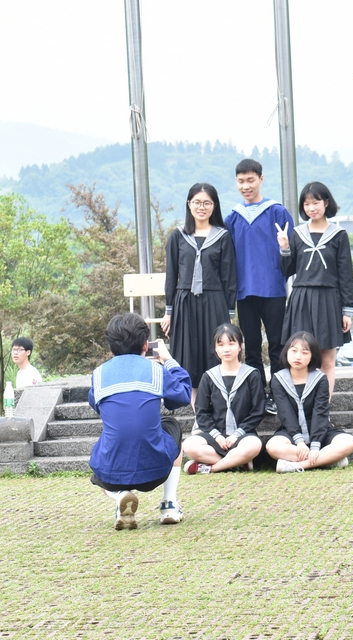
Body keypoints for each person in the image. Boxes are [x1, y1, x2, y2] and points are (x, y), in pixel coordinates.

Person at [88, 313, 191, 530]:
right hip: (156, 469)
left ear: (111, 347)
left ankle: (120, 496)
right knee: (172, 426)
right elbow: (183, 395)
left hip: (111, 473)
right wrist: (168, 360)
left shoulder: (98, 375)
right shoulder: (156, 371)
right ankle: (169, 504)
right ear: (146, 345)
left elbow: (97, 405)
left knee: (103, 451)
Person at [225, 159, 294, 415]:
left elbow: (291, 254)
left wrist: (285, 248)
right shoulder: (232, 218)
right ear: (236, 182)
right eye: (241, 181)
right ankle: (256, 396)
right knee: (251, 346)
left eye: (250, 180)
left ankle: (278, 394)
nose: (246, 186)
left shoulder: (277, 212)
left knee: (277, 344)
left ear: (261, 179)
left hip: (273, 288)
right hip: (244, 292)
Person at [161, 183, 237, 409]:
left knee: (214, 352)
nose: (201, 207)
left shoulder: (222, 237)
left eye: (206, 203)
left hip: (214, 302)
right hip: (184, 303)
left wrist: (229, 313)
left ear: (214, 206)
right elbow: (171, 276)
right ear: (189, 204)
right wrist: (168, 311)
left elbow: (229, 277)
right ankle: (198, 412)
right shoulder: (178, 236)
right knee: (190, 355)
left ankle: (216, 404)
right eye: (197, 202)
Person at [275, 181, 353, 397]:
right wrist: (284, 247)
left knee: (327, 360)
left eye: (316, 202)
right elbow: (288, 270)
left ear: (326, 203)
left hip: (329, 300)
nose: (311, 208)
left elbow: (346, 275)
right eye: (307, 204)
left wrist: (347, 311)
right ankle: (303, 405)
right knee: (301, 358)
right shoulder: (297, 234)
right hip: (302, 300)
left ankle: (322, 409)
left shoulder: (338, 235)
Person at [266, 331, 353, 472]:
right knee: (272, 446)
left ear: (312, 356)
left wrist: (315, 445)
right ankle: (328, 460)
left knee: (349, 442)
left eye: (304, 352)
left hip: (320, 429)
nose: (298, 356)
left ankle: (297, 466)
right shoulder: (278, 379)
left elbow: (320, 412)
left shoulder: (320, 379)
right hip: (291, 430)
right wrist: (299, 441)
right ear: (286, 352)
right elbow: (285, 413)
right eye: (294, 351)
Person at [183, 324, 264, 474]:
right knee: (189, 445)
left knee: (254, 445)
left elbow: (258, 411)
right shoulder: (209, 377)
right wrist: (217, 436)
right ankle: (238, 462)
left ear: (240, 346)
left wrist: (237, 434)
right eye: (220, 345)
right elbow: (201, 412)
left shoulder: (252, 374)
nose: (226, 349)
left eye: (231, 343)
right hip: (216, 435)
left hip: (243, 434)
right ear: (215, 348)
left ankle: (212, 468)